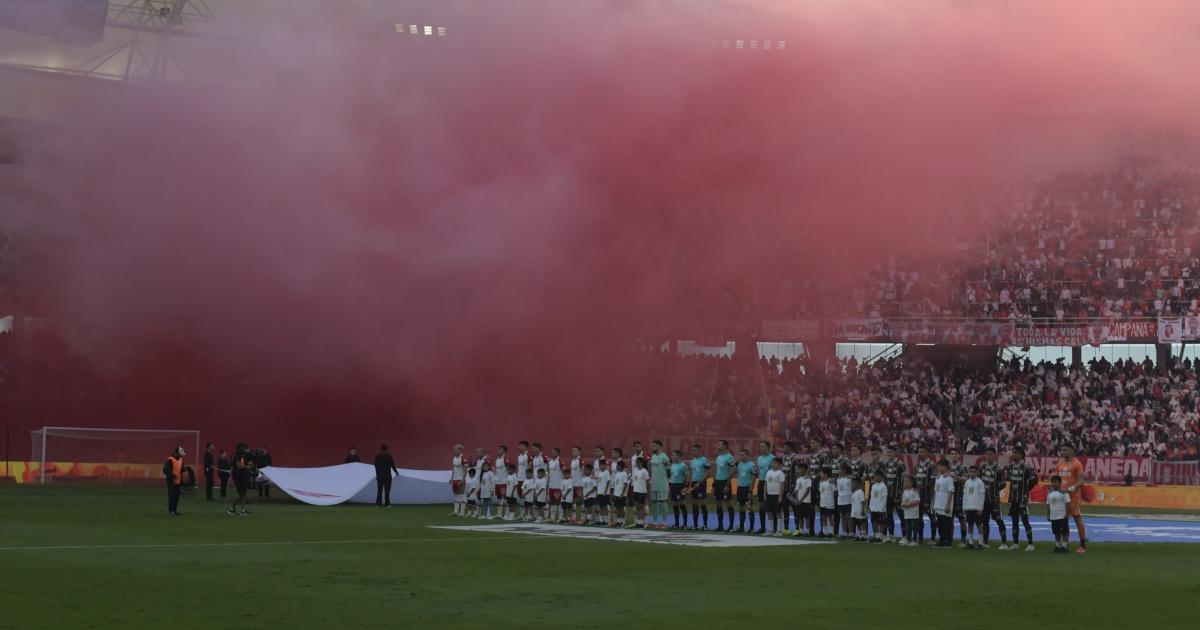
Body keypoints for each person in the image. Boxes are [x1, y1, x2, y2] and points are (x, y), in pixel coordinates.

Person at [1054, 444, 1088, 554]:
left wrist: (1072, 488)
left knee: (1078, 519)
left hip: (1073, 497)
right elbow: (1057, 480)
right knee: (1064, 521)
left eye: (1065, 450)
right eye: (1062, 449)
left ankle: (1083, 545)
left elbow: (1082, 481)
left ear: (1071, 450)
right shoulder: (1059, 464)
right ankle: (1065, 544)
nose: (1062, 452)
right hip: (1062, 497)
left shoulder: (1077, 464)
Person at [1006, 446, 1037, 551]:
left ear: (1021, 455)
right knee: (1014, 521)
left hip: (1022, 498)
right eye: (1013, 452)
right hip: (1013, 498)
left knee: (1025, 520)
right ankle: (1015, 543)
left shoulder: (1026, 467)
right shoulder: (1009, 467)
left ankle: (1031, 544)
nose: (1013, 454)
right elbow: (1009, 481)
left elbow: (1034, 480)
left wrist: (1026, 491)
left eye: (1015, 452)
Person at [979, 447, 1009, 549]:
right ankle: (986, 542)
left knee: (999, 520)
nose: (988, 456)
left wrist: (995, 488)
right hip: (984, 499)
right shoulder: (982, 466)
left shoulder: (999, 468)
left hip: (995, 499)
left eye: (990, 454)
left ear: (994, 455)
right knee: (985, 520)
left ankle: (1004, 543)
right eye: (987, 454)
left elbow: (1004, 483)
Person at [881, 446, 906, 543]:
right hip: (887, 494)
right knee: (889, 515)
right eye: (888, 452)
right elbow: (884, 479)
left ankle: (904, 536)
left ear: (895, 453)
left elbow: (904, 477)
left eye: (890, 452)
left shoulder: (900, 464)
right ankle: (891, 535)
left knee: (901, 515)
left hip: (898, 494)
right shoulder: (885, 464)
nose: (889, 454)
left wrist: (902, 491)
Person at [914, 447, 936, 544]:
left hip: (928, 496)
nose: (919, 453)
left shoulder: (931, 465)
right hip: (919, 496)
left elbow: (933, 481)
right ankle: (920, 538)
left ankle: (933, 538)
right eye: (918, 452)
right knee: (919, 517)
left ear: (927, 453)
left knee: (932, 516)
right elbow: (915, 480)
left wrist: (929, 494)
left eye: (921, 452)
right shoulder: (917, 466)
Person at [712, 440, 736, 531]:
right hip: (718, 482)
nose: (718, 446)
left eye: (719, 444)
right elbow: (717, 471)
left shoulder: (729, 457)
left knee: (728, 503)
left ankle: (731, 526)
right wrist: (714, 484)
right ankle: (720, 526)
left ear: (725, 446)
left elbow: (731, 471)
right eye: (718, 444)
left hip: (725, 482)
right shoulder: (718, 457)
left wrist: (727, 484)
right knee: (718, 503)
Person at [933, 460, 956, 548]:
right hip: (938, 504)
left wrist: (948, 505)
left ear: (946, 467)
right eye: (939, 466)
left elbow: (951, 492)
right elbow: (936, 491)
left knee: (947, 524)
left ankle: (948, 541)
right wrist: (934, 503)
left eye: (942, 466)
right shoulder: (938, 478)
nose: (940, 468)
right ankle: (941, 541)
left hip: (945, 505)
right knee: (940, 524)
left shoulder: (949, 478)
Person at [947, 448, 967, 547]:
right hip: (949, 498)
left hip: (960, 497)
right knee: (949, 520)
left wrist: (954, 476)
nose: (953, 455)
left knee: (961, 519)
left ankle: (963, 540)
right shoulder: (947, 467)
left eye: (955, 453)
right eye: (952, 453)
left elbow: (965, 480)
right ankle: (949, 540)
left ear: (959, 455)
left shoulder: (963, 468)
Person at [754, 440, 776, 534]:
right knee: (761, 505)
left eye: (763, 446)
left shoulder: (773, 458)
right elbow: (758, 471)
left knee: (771, 505)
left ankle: (774, 528)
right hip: (761, 482)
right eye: (760, 446)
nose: (761, 448)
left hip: (771, 483)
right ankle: (762, 527)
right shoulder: (758, 458)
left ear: (768, 447)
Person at [1046, 475, 1072, 554]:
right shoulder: (1050, 493)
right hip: (1053, 516)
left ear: (1060, 483)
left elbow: (1068, 503)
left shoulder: (1064, 492)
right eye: (1053, 482)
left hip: (1062, 516)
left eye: (1056, 482)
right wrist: (1048, 514)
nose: (1054, 484)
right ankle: (1058, 546)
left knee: (1064, 532)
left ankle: (1065, 546)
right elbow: (1048, 504)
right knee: (1056, 532)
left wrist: (1067, 514)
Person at [648, 440, 670, 529]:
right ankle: (655, 521)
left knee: (663, 503)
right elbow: (650, 471)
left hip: (662, 484)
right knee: (655, 503)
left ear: (659, 446)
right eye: (652, 446)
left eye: (654, 446)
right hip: (654, 483)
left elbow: (669, 470)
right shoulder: (653, 456)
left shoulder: (664, 457)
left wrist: (667, 480)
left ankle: (664, 522)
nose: (652, 447)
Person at [962, 466, 986, 550]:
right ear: (968, 472)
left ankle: (980, 543)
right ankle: (971, 543)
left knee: (979, 525)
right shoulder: (967, 482)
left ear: (977, 473)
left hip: (977, 508)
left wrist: (980, 508)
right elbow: (965, 495)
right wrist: (964, 507)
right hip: (969, 507)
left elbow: (982, 496)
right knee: (970, 525)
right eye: (970, 472)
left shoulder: (980, 482)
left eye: (974, 472)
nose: (972, 473)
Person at [735, 449, 758, 533]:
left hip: (747, 488)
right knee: (741, 507)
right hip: (740, 487)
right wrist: (736, 463)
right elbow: (734, 470)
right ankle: (741, 526)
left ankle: (751, 528)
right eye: (740, 455)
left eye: (743, 455)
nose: (741, 456)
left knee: (749, 507)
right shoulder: (739, 464)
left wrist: (751, 490)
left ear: (747, 455)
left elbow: (754, 477)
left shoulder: (751, 465)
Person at [688, 443, 710, 530]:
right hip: (693, 483)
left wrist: (700, 482)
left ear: (699, 450)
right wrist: (689, 484)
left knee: (702, 504)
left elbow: (708, 473)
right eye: (692, 450)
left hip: (701, 484)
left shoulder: (704, 460)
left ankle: (705, 525)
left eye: (695, 450)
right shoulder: (692, 461)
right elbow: (690, 473)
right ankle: (695, 525)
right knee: (694, 504)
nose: (693, 452)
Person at [227, 443, 252, 516]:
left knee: (243, 493)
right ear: (241, 448)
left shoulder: (237, 454)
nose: (247, 450)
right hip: (239, 476)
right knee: (242, 493)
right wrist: (248, 466)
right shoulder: (238, 454)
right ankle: (233, 509)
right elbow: (239, 466)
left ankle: (240, 510)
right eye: (245, 448)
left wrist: (249, 463)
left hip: (241, 475)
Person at [791, 462, 814, 537]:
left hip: (806, 501)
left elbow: (808, 490)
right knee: (800, 516)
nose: (798, 470)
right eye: (797, 469)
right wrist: (797, 499)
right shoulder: (798, 479)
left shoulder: (808, 479)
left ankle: (807, 531)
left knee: (807, 517)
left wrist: (801, 499)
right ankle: (801, 530)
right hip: (799, 501)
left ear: (804, 469)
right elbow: (797, 490)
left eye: (799, 469)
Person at [764, 458, 786, 536]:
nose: (773, 465)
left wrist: (780, 496)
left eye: (775, 463)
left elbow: (782, 486)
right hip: (769, 495)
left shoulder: (780, 473)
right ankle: (770, 530)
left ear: (780, 465)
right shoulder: (769, 472)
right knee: (769, 512)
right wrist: (765, 494)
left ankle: (779, 531)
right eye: (773, 463)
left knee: (778, 512)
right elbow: (765, 484)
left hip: (776, 495)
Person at [668, 449, 689, 529]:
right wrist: (670, 486)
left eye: (674, 455)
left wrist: (685, 487)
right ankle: (676, 524)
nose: (672, 457)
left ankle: (685, 524)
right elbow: (671, 477)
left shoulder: (683, 466)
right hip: (673, 486)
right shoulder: (672, 465)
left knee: (681, 504)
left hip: (680, 486)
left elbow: (687, 476)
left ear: (679, 456)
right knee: (674, 505)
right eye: (672, 455)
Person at [163, 446, 186, 516]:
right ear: (177, 453)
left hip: (178, 481)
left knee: (176, 496)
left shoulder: (181, 459)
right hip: (171, 481)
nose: (181, 456)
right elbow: (165, 470)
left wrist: (184, 469)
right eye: (181, 454)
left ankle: (175, 510)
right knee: (172, 496)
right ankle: (171, 511)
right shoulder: (170, 460)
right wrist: (172, 475)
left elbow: (180, 469)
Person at [374, 444, 398, 508]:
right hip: (387, 476)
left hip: (380, 476)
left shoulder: (377, 457)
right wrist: (396, 472)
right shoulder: (389, 456)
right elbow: (393, 466)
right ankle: (387, 504)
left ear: (381, 449)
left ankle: (378, 504)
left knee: (379, 490)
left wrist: (377, 474)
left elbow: (376, 466)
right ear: (387, 449)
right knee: (387, 491)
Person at [868, 470, 889, 543]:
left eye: (876, 476)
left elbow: (885, 497)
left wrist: (882, 508)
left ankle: (880, 536)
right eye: (874, 476)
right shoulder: (873, 486)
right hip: (873, 508)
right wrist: (870, 506)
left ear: (881, 477)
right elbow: (872, 497)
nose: (875, 477)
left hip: (881, 508)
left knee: (882, 523)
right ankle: (876, 536)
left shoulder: (883, 486)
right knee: (874, 522)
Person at [900, 476, 920, 546]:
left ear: (912, 483)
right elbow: (903, 501)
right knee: (908, 527)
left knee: (914, 526)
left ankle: (914, 540)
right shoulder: (905, 492)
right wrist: (903, 504)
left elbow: (917, 501)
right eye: (905, 481)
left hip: (913, 513)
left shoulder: (914, 491)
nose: (905, 483)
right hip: (907, 513)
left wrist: (909, 504)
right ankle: (908, 539)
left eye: (907, 481)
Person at [630, 457, 650, 528]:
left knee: (642, 507)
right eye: (636, 462)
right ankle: (638, 521)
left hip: (642, 491)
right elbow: (634, 481)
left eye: (638, 462)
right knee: (637, 506)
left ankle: (642, 522)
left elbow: (647, 483)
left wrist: (646, 492)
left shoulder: (644, 471)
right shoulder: (635, 471)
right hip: (636, 491)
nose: (636, 463)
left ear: (641, 463)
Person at [547, 448, 564, 524]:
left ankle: (560, 517)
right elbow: (548, 472)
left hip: (558, 485)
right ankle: (552, 517)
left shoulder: (560, 461)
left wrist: (563, 483)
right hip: (551, 485)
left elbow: (564, 471)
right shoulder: (550, 461)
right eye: (551, 451)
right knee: (553, 502)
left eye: (553, 452)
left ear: (558, 453)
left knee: (559, 502)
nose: (552, 453)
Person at [836, 464, 853, 539]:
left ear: (844, 470)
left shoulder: (850, 478)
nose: (838, 471)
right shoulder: (838, 479)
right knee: (842, 517)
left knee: (848, 517)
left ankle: (851, 533)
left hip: (848, 499)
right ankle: (845, 532)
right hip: (840, 500)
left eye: (840, 469)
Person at [612, 460, 630, 528]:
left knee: (621, 508)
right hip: (616, 494)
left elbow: (625, 484)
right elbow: (615, 484)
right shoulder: (617, 473)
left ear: (620, 466)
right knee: (617, 508)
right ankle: (618, 521)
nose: (616, 466)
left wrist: (622, 493)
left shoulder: (624, 474)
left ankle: (623, 522)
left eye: (617, 465)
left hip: (621, 494)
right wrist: (614, 493)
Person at [818, 468, 835, 538]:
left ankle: (832, 532)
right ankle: (825, 532)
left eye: (821, 473)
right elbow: (820, 491)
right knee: (823, 517)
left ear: (825, 474)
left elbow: (835, 491)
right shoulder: (821, 482)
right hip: (822, 503)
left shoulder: (830, 482)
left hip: (829, 503)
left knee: (830, 518)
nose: (820, 475)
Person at [450, 444, 467, 516]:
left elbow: (465, 470)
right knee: (456, 495)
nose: (454, 450)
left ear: (460, 450)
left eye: (456, 449)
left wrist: (463, 479)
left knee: (462, 495)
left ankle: (462, 512)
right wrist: (451, 478)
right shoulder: (454, 458)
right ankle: (456, 511)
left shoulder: (463, 458)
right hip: (455, 479)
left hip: (460, 479)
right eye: (454, 449)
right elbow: (453, 469)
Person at [569, 446, 585, 523]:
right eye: (572, 451)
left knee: (580, 501)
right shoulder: (572, 461)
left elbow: (584, 471)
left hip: (579, 484)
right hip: (573, 484)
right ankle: (573, 518)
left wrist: (582, 483)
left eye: (575, 451)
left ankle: (582, 518)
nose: (573, 452)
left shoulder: (580, 460)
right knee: (573, 501)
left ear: (579, 452)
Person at [495, 446, 511, 519]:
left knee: (505, 498)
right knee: (499, 498)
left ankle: (507, 514)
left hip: (504, 481)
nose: (498, 450)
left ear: (504, 451)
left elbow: (508, 468)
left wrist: (508, 478)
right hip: (497, 481)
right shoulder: (497, 459)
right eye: (498, 448)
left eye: (500, 449)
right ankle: (499, 513)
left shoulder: (505, 458)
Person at [595, 459, 612, 526]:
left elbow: (608, 482)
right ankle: (601, 520)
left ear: (605, 465)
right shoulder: (600, 473)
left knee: (605, 507)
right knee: (601, 507)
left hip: (605, 493)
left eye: (602, 465)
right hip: (599, 492)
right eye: (600, 465)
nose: (601, 466)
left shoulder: (606, 472)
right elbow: (599, 483)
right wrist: (597, 491)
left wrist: (605, 491)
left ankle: (606, 520)